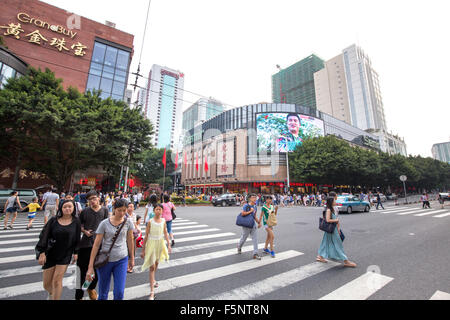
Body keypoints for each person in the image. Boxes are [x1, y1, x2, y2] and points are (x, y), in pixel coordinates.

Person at [86, 198, 135, 300]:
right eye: (119, 210)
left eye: (124, 210)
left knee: (119, 292)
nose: (122, 213)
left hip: (122, 259)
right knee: (103, 292)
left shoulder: (128, 222)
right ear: (114, 209)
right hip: (105, 261)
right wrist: (90, 266)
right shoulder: (104, 223)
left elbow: (130, 240)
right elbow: (96, 245)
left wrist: (132, 258)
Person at [36, 200, 81, 300]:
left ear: (74, 208)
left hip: (65, 254)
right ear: (61, 208)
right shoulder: (53, 220)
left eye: (70, 206)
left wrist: (76, 252)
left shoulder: (76, 221)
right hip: (51, 253)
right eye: (65, 207)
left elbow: (77, 238)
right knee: (46, 284)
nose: (67, 209)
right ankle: (52, 294)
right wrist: (42, 253)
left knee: (57, 280)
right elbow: (44, 236)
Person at [75, 190, 109, 301]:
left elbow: (107, 225)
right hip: (85, 245)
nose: (92, 201)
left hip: (99, 246)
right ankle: (79, 296)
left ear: (99, 198)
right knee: (82, 272)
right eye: (90, 200)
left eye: (94, 198)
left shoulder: (104, 210)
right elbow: (79, 226)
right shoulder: (85, 211)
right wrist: (84, 231)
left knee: (96, 273)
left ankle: (90, 288)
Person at [140, 204, 171, 300]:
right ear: (154, 211)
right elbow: (146, 236)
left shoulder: (163, 221)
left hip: (160, 244)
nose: (158, 211)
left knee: (156, 264)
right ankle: (152, 292)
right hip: (151, 244)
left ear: (162, 211)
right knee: (152, 267)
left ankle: (153, 279)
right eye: (157, 209)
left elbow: (165, 232)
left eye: (160, 209)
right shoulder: (150, 222)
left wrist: (168, 244)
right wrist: (143, 249)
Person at [316, 196, 356, 268]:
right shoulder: (328, 210)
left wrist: (338, 227)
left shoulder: (332, 209)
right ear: (331, 202)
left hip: (332, 230)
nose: (335, 202)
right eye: (334, 200)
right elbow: (328, 220)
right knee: (338, 244)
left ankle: (320, 256)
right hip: (332, 230)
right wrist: (336, 220)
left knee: (325, 242)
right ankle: (346, 261)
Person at [237, 193, 261, 260]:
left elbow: (254, 216)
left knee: (255, 239)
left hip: (253, 224)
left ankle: (255, 253)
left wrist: (258, 222)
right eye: (253, 197)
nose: (254, 199)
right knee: (244, 237)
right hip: (246, 225)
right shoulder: (246, 206)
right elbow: (243, 213)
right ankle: (239, 247)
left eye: (255, 197)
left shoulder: (255, 206)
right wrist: (250, 211)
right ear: (250, 198)